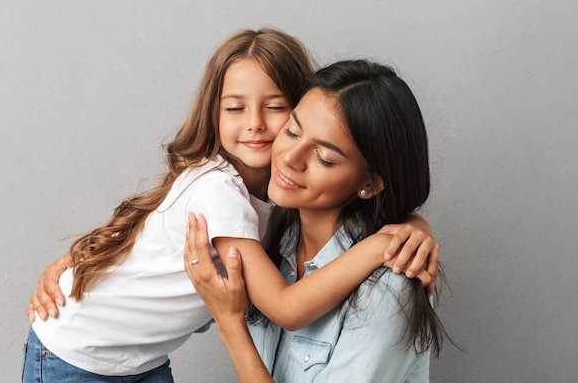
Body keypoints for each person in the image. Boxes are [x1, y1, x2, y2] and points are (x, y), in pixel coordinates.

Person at [22, 30, 439, 382]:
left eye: (275, 108)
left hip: (139, 361)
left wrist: (412, 225)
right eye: (293, 131)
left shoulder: (281, 209)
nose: (256, 124)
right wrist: (380, 245)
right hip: (76, 352)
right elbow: (286, 308)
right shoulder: (221, 190)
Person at [184, 59, 446, 383]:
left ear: (371, 183)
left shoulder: (389, 291)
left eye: (324, 157)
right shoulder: (269, 235)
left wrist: (230, 324)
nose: (290, 158)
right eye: (292, 131)